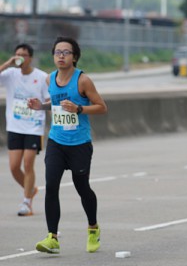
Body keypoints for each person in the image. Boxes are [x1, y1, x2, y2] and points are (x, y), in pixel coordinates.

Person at [28, 36, 108, 254]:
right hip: (56, 141)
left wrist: (79, 109)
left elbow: (101, 107)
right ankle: (52, 238)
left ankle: (93, 228)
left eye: (66, 52)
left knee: (82, 187)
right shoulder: (50, 79)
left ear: (74, 57)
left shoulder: (83, 80)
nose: (61, 56)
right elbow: (56, 104)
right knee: (51, 185)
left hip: (79, 143)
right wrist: (40, 106)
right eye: (57, 52)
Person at [0, 43, 48, 216]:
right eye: (17, 54)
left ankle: (26, 202)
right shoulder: (10, 74)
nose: (20, 57)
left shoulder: (42, 77)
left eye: (23, 55)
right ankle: (31, 189)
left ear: (31, 58)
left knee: (28, 164)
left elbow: (48, 101)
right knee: (14, 167)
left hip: (34, 127)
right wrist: (8, 63)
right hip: (14, 126)